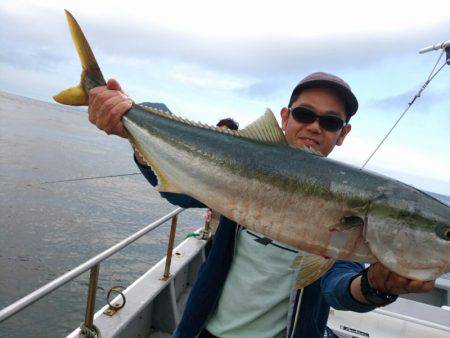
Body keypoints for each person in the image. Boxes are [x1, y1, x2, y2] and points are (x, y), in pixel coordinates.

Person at [88, 72, 435, 338]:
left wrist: (376, 284)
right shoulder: (244, 164)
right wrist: (131, 128)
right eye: (304, 114)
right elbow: (179, 192)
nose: (315, 127)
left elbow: (337, 288)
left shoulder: (352, 202)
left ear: (342, 134)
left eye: (330, 122)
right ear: (284, 117)